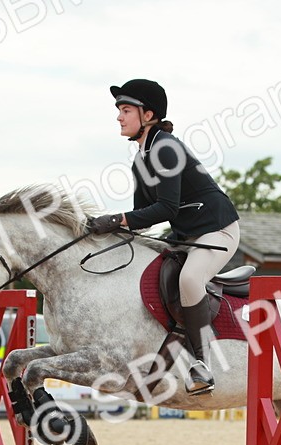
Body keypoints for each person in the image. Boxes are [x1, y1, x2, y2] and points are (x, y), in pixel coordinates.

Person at [89, 79, 240, 396]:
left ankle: (202, 366)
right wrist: (104, 229)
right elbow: (141, 215)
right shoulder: (140, 159)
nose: (119, 117)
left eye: (126, 110)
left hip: (217, 230)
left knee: (189, 279)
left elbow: (166, 207)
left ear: (148, 115)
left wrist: (117, 219)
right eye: (119, 110)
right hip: (187, 234)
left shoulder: (165, 148)